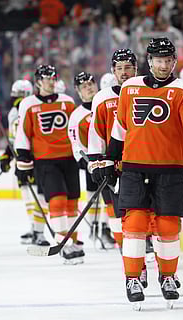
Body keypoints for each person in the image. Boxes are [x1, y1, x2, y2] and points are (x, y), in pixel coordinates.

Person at [98, 37, 183, 305]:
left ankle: (168, 276)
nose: (163, 65)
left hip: (170, 168)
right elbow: (120, 130)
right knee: (135, 224)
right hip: (134, 167)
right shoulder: (130, 87)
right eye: (158, 60)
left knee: (167, 226)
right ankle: (132, 278)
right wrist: (108, 160)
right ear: (149, 62)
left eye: (168, 60)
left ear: (174, 61)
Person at [14, 65, 82, 264]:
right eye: (47, 79)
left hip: (69, 159)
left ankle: (73, 242)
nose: (51, 82)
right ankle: (63, 243)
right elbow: (23, 134)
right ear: (38, 82)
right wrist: (23, 160)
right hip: (45, 161)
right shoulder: (28, 104)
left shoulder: (67, 102)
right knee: (57, 201)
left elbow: (76, 130)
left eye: (53, 78)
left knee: (72, 203)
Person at [87, 49, 138, 249]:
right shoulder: (102, 98)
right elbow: (96, 133)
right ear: (112, 71)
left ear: (136, 69)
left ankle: (145, 244)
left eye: (128, 67)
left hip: (143, 160)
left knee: (144, 209)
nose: (123, 72)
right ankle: (126, 248)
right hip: (115, 163)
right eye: (119, 68)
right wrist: (97, 162)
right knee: (119, 209)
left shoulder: (144, 91)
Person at [68, 71, 117, 248]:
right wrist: (85, 161)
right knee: (93, 194)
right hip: (92, 160)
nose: (88, 88)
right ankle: (97, 228)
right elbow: (74, 141)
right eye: (83, 86)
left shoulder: (105, 104)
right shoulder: (76, 114)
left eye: (90, 84)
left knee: (112, 196)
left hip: (112, 158)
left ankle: (106, 227)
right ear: (78, 91)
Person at [0, 79, 50, 246]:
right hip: (30, 156)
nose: (16, 99)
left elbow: (20, 137)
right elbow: (16, 138)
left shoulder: (22, 110)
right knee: (32, 195)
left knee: (34, 196)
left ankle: (36, 228)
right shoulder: (21, 110)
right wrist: (8, 154)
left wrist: (9, 154)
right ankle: (35, 228)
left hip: (29, 158)